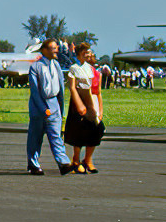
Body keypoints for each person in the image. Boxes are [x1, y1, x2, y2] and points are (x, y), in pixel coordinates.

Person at [26, 40, 71, 175]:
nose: (56, 50)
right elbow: (34, 91)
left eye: (56, 48)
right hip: (39, 106)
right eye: (53, 48)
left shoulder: (56, 65)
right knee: (35, 137)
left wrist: (60, 109)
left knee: (56, 136)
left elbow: (61, 89)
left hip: (54, 104)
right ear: (44, 50)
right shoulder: (36, 67)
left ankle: (63, 163)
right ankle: (33, 165)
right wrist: (42, 108)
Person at [65, 43, 106, 173]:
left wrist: (99, 109)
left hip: (89, 100)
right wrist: (79, 105)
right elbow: (72, 88)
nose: (87, 54)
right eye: (85, 52)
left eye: (88, 52)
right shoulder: (74, 68)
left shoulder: (90, 69)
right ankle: (76, 160)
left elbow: (96, 90)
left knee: (96, 129)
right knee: (78, 130)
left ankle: (87, 160)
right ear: (79, 53)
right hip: (78, 100)